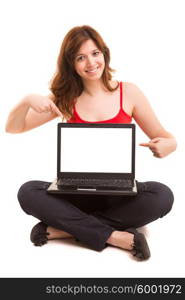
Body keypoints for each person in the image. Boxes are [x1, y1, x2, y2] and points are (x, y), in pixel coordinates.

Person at [5, 25, 177, 260]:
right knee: (28, 191)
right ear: (71, 64)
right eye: (80, 57)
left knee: (162, 195)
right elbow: (14, 127)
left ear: (104, 54)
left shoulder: (129, 92)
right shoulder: (65, 98)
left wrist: (168, 146)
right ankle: (115, 236)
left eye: (95, 53)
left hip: (117, 194)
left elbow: (167, 138)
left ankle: (62, 229)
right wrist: (25, 101)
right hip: (77, 192)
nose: (91, 63)